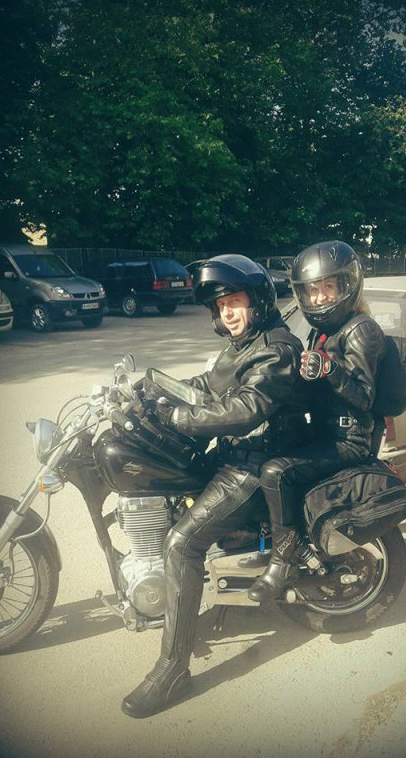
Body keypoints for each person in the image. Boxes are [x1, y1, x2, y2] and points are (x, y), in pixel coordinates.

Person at [121, 254, 308, 718]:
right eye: (221, 305)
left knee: (181, 543)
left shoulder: (277, 348)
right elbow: (208, 384)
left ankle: (173, 671)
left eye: (235, 301)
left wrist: (177, 417)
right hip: (233, 455)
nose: (228, 312)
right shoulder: (241, 344)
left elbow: (246, 408)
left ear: (257, 301)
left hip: (253, 466)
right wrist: (156, 389)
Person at [247, 240, 386, 603]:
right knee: (257, 450)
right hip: (324, 430)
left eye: (328, 287)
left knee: (276, 472)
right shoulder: (322, 332)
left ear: (346, 286)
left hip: (348, 439)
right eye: (313, 290)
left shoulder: (360, 329)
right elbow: (313, 390)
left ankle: (284, 561)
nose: (320, 297)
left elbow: (364, 396)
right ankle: (260, 535)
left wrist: (329, 368)